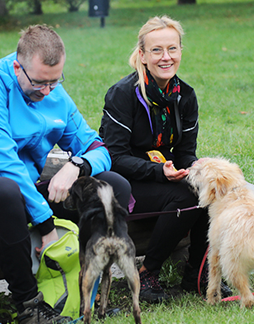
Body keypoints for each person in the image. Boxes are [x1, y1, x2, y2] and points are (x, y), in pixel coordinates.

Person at [0, 24, 130, 324]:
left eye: (55, 82)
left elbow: (98, 148)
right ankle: (28, 308)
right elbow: (4, 164)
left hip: (23, 195)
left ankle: (86, 294)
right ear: (17, 67)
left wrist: (76, 164)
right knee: (5, 190)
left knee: (111, 186)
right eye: (39, 83)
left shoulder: (53, 91)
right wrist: (46, 223)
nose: (47, 92)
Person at [99, 16, 232, 303]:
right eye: (157, 50)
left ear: (180, 51)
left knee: (209, 190)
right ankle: (147, 272)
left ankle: (198, 274)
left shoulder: (185, 95)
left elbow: (185, 151)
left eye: (172, 49)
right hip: (124, 182)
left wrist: (193, 170)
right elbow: (112, 156)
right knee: (186, 198)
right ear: (143, 55)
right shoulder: (123, 94)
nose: (166, 57)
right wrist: (160, 172)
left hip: (165, 178)